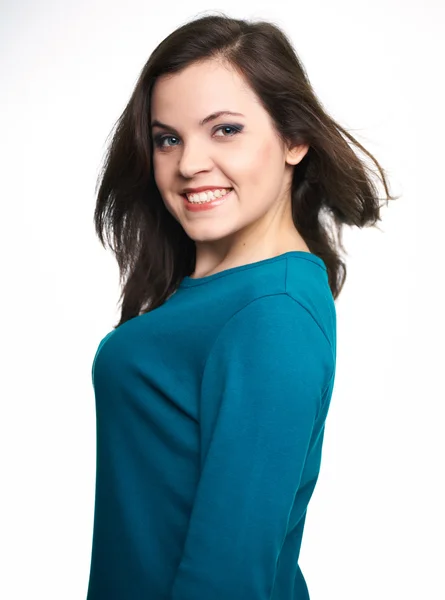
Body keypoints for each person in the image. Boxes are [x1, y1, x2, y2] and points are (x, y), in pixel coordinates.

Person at [86, 12, 397, 600]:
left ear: (294, 139)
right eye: (167, 138)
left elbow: (227, 579)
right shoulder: (228, 294)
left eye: (224, 129)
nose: (189, 163)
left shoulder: (271, 314)